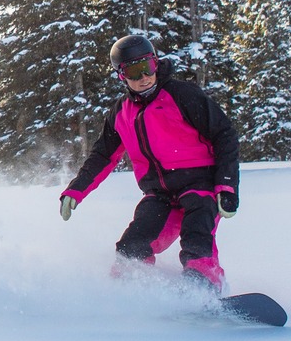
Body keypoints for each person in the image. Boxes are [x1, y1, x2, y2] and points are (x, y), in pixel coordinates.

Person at [58, 34, 241, 291]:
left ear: (156, 63)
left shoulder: (182, 95)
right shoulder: (121, 113)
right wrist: (76, 189)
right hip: (160, 195)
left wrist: (226, 185)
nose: (144, 76)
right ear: (122, 75)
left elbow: (224, 135)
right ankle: (132, 292)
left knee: (197, 237)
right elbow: (102, 156)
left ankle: (204, 288)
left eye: (148, 66)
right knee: (131, 247)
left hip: (200, 186)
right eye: (134, 71)